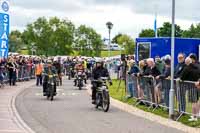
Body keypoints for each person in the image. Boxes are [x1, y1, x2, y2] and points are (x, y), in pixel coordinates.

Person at [180, 57, 200, 121]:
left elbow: (182, 78)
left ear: (186, 62)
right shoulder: (197, 67)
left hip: (191, 87)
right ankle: (197, 114)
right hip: (197, 86)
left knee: (193, 102)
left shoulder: (187, 68)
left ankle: (194, 117)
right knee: (196, 101)